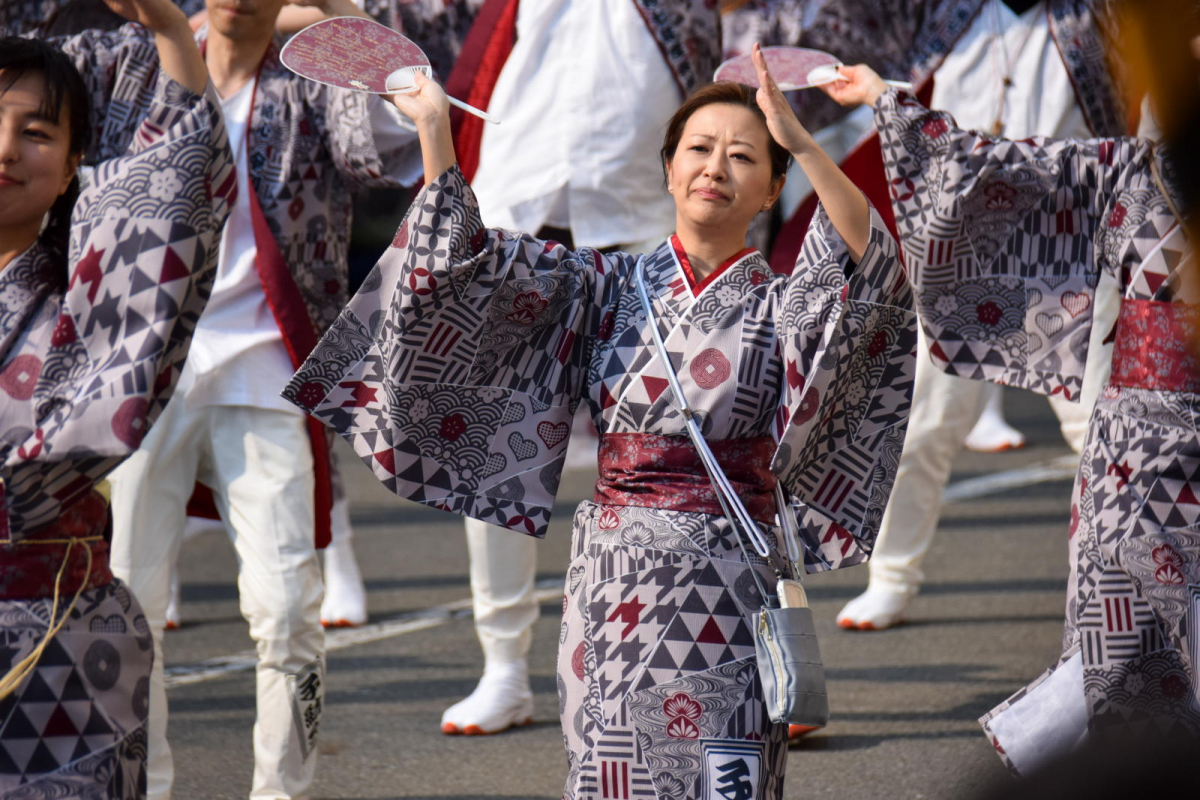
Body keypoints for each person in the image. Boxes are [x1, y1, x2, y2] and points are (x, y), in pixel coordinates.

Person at [285, 46, 917, 797]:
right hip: (615, 585)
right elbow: (467, 268)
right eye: (699, 149)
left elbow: (873, 272)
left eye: (745, 156)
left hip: (731, 577)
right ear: (669, 170)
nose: (716, 166)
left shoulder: (782, 304)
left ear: (773, 187)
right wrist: (434, 132)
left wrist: (806, 142)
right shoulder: (605, 285)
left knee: (725, 779)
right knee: (610, 774)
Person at [55, 0, 422, 795]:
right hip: (143, 368)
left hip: (265, 370)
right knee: (129, 604)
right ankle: (140, 785)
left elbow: (390, 140)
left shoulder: (309, 80)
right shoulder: (129, 62)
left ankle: (280, 791)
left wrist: (345, 16)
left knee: (289, 611)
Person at [825, 43, 1199, 774]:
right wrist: (888, 98)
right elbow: (987, 167)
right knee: (1116, 654)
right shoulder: (1127, 168)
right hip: (1131, 449)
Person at [433, 0, 725, 737]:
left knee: (696, 454)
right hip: (519, 209)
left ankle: (730, 660)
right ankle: (503, 667)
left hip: (646, 217)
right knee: (494, 454)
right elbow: (420, 24)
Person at [789, 0, 1128, 632]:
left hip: (1071, 243)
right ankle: (891, 577)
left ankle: (1125, 585)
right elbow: (909, 102)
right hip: (964, 247)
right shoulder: (948, 13)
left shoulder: (1094, 14)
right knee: (923, 420)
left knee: (1100, 432)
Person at [0, 0, 233, 791]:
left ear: (74, 166)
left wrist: (171, 31)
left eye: (36, 132)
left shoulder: (91, 292)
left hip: (59, 641)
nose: (4, 150)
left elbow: (177, 180)